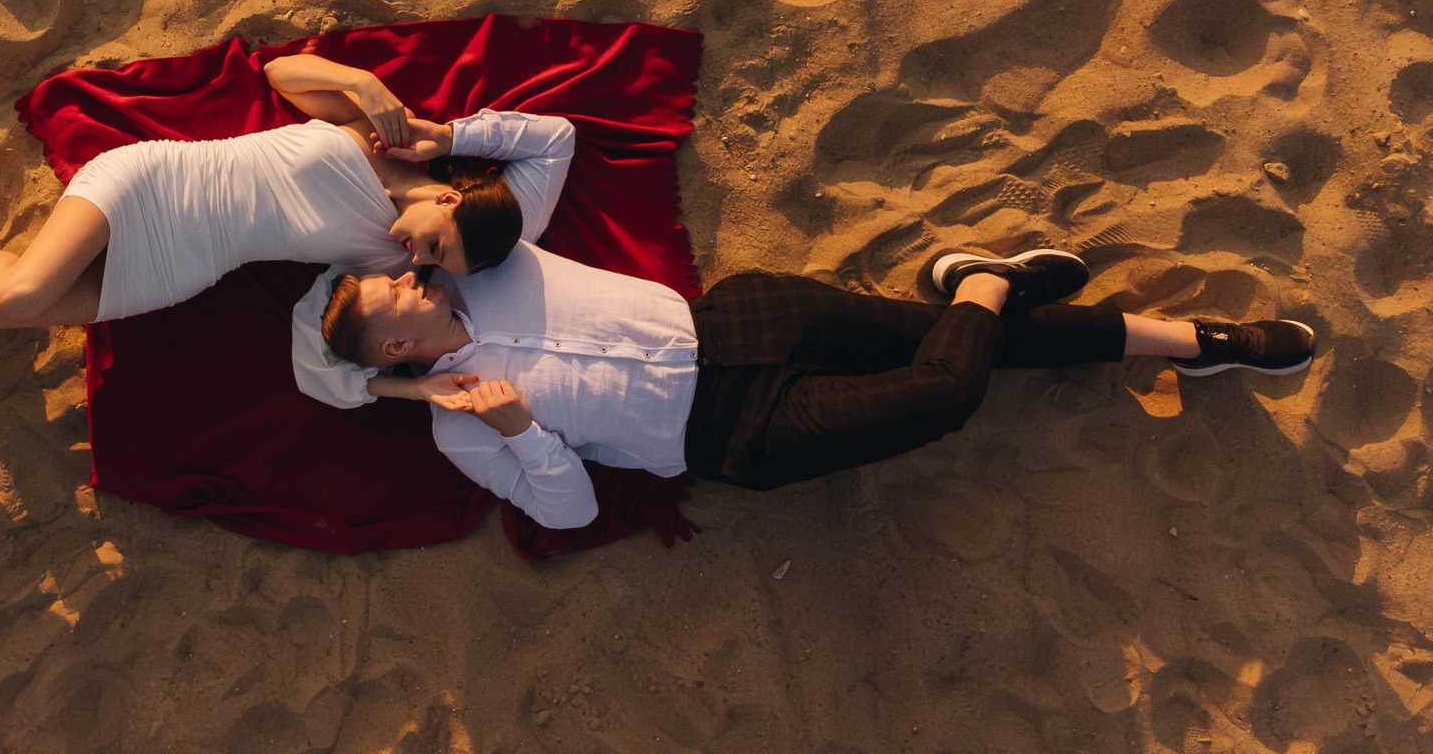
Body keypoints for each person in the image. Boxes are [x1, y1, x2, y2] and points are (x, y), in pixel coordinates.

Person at [294, 245, 1317, 529]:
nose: (407, 276)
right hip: (735, 433)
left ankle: (1190, 340)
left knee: (973, 349)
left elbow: (543, 147)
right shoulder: (460, 429)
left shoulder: (489, 261)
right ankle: (983, 280)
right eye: (393, 296)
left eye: (393, 273)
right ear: (396, 349)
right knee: (944, 387)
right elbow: (566, 512)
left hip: (740, 322)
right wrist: (521, 429)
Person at [0, 53, 575, 378]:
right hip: (158, 185)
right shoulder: (385, 138)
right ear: (450, 197)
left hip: (188, 266)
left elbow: (375, 353)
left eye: (434, 267)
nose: (419, 261)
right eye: (436, 246)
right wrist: (372, 89)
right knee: (20, 294)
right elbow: (555, 141)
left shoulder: (391, 270)